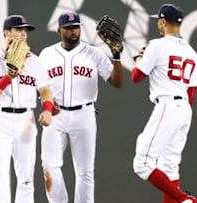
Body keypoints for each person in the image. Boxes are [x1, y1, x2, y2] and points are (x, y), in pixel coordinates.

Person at [39, 11, 123, 203]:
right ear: (59, 30)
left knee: (85, 172)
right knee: (49, 166)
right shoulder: (47, 54)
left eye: (76, 27)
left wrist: (116, 57)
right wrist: (46, 102)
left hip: (84, 113)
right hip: (56, 115)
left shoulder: (94, 54)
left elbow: (116, 82)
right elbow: (38, 85)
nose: (73, 32)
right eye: (68, 28)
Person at [0, 15, 54, 203]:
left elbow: (45, 89)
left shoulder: (34, 61)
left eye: (25, 31)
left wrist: (48, 110)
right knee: (0, 174)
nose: (23, 34)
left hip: (25, 119)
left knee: (26, 177)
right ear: (6, 33)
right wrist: (8, 77)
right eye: (18, 30)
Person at [131, 4, 197, 203]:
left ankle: (186, 200)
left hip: (167, 105)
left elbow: (136, 77)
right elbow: (192, 92)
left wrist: (139, 58)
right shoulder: (192, 53)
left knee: (142, 163)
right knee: (169, 168)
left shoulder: (157, 45)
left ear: (162, 22)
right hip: (185, 109)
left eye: (158, 21)